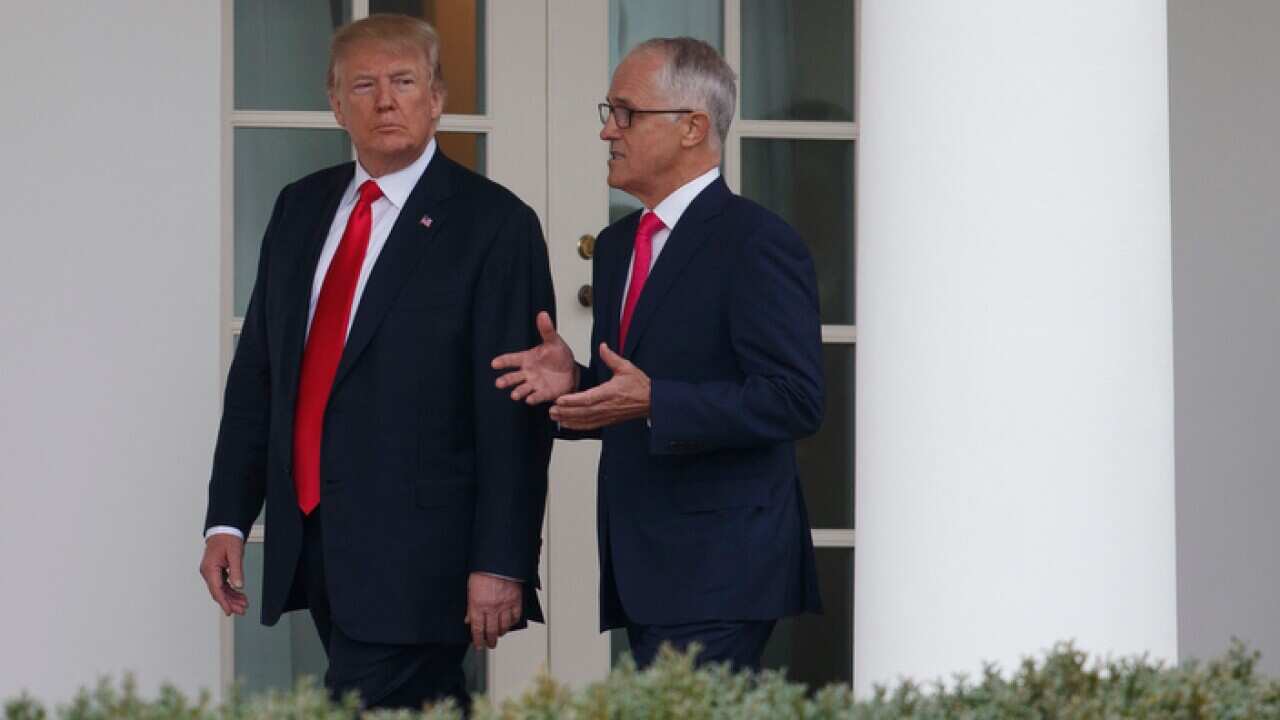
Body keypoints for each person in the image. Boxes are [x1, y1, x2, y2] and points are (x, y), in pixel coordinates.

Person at [198, 14, 553, 711]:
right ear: (335, 104)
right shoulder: (299, 209)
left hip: (424, 559)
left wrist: (502, 561)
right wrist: (228, 520)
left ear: (437, 97)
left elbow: (513, 415)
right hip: (317, 540)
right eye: (363, 85)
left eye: (404, 81)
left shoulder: (493, 224)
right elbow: (260, 378)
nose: (385, 101)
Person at [492, 37, 823, 672]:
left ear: (693, 127)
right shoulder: (618, 244)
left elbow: (795, 399)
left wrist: (653, 401)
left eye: (626, 113)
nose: (607, 131)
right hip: (642, 560)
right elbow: (631, 391)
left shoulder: (756, 243)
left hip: (725, 564)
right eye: (608, 112)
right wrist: (574, 384)